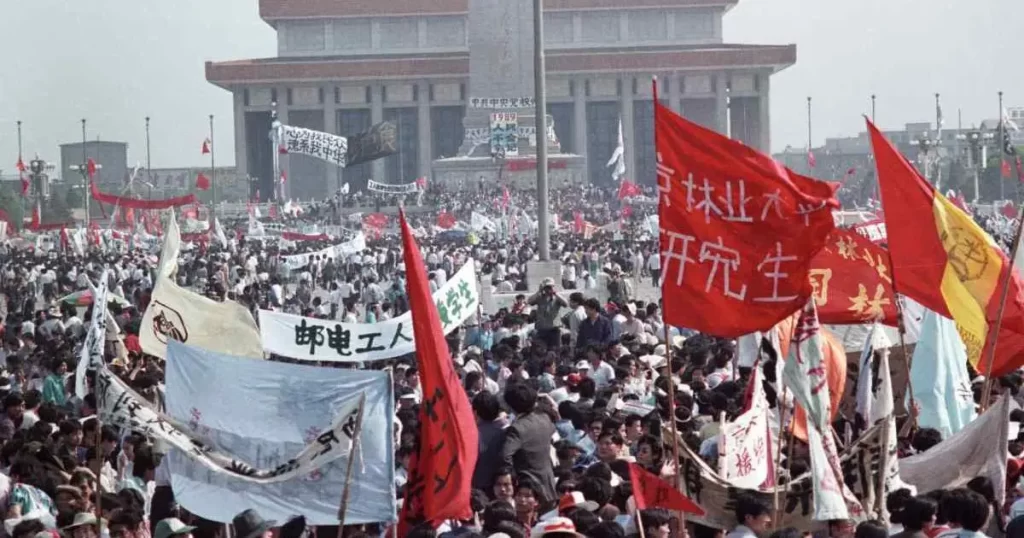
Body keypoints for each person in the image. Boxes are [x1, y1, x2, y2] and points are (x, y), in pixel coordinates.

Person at [500, 382, 557, 504]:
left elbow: (505, 456)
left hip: (529, 488)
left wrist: (513, 475)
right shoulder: (544, 418)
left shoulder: (517, 428)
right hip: (548, 482)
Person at [529, 278, 568, 349]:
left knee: (555, 350)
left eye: (550, 287)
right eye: (546, 287)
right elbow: (530, 301)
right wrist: (539, 291)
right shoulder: (539, 297)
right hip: (541, 329)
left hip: (554, 330)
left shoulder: (557, 298)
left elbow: (566, 304)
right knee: (541, 350)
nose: (548, 289)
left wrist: (555, 293)